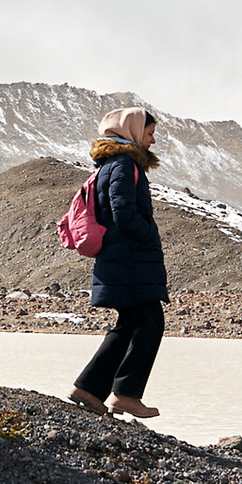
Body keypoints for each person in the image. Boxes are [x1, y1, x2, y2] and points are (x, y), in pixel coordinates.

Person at [69, 107, 169, 418]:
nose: (152, 141)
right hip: (130, 260)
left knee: (130, 323)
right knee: (150, 322)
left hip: (122, 260)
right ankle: (125, 394)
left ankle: (89, 389)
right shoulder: (125, 164)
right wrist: (148, 233)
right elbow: (123, 212)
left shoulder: (112, 164)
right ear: (133, 132)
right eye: (149, 133)